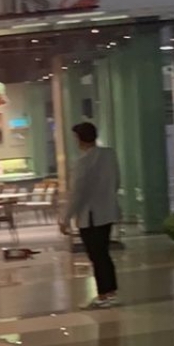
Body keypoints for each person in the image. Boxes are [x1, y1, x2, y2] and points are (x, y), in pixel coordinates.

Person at [59, 122, 121, 310]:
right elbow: (116, 181)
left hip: (90, 215)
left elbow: (77, 192)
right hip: (107, 210)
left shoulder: (82, 162)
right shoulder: (109, 155)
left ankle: (104, 294)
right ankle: (110, 291)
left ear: (79, 139)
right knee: (104, 254)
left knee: (96, 255)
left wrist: (65, 217)